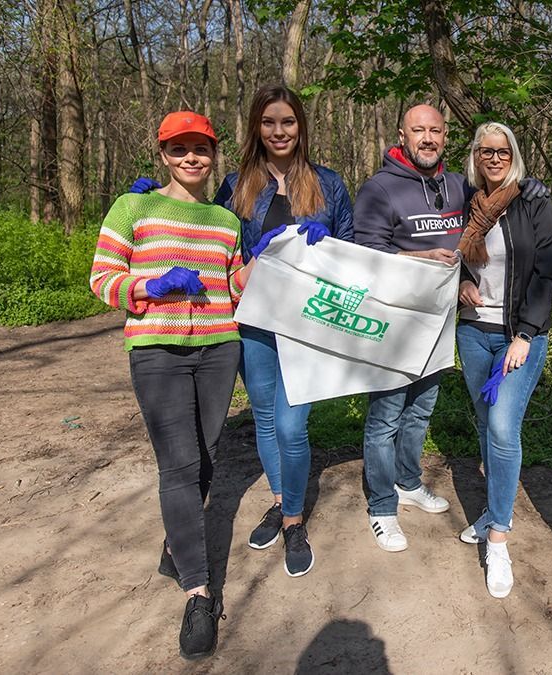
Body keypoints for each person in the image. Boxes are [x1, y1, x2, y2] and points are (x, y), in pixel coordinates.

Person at [89, 111, 267, 659]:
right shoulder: (132, 207)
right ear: (162, 154)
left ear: (214, 155)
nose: (191, 158)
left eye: (201, 149)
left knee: (207, 454)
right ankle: (198, 591)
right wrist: (152, 283)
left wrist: (275, 256)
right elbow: (102, 279)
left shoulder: (224, 219)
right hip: (157, 351)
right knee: (179, 466)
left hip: (219, 347)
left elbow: (234, 285)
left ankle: (176, 542)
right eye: (179, 149)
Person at [352, 104, 549, 552]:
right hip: (391, 323)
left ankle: (407, 482)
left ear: (445, 137)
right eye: (417, 130)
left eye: (435, 130)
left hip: (441, 323)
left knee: (421, 411)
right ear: (401, 135)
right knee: (385, 417)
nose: (427, 137)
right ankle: (382, 507)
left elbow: (494, 221)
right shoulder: (379, 189)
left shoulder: (460, 187)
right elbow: (364, 256)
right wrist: (420, 260)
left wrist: (530, 186)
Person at [212, 84, 353, 578]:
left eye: (287, 122)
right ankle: (280, 500)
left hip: (307, 326)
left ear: (301, 127)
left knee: (293, 426)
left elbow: (352, 255)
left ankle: (294, 521)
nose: (279, 131)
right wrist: (157, 205)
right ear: (256, 127)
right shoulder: (235, 186)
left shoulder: (329, 184)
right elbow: (213, 247)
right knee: (267, 421)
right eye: (269, 122)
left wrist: (327, 247)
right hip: (256, 322)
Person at [453, 122, 552, 598]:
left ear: (513, 154)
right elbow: (456, 261)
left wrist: (526, 333)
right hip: (474, 331)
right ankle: (494, 508)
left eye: (502, 151)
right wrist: (460, 284)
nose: (493, 158)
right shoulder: (467, 206)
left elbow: (547, 271)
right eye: (485, 151)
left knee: (501, 427)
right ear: (475, 156)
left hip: (519, 335)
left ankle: (499, 538)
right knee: (484, 424)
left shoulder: (533, 202)